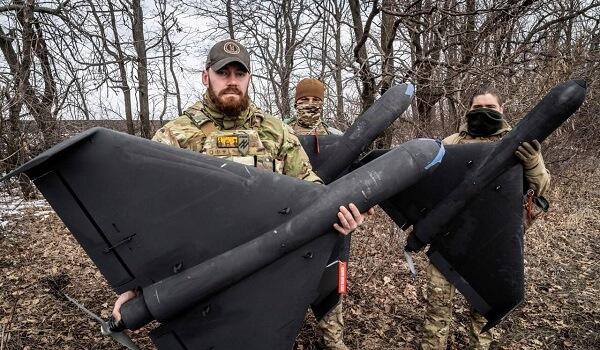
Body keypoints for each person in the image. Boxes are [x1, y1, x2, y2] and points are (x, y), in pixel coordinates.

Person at [111, 39, 371, 341]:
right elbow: (147, 216)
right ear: (206, 76)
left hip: (264, 276)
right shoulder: (174, 136)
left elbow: (310, 190)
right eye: (223, 73)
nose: (232, 81)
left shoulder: (276, 132)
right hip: (202, 278)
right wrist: (137, 286)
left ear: (248, 78)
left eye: (239, 73)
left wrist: (339, 215)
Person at [420, 86, 551, 350]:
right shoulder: (452, 142)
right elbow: (430, 183)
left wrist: (534, 163)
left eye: (490, 107)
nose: (483, 111)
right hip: (451, 240)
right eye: (478, 107)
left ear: (501, 109)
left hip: (493, 242)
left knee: (483, 315)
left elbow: (541, 190)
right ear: (469, 110)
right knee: (437, 311)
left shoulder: (519, 143)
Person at [289, 78, 348, 350]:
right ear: (295, 102)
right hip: (291, 224)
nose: (310, 105)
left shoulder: (338, 138)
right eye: (304, 100)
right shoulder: (281, 132)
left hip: (334, 227)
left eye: (316, 100)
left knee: (333, 284)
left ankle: (333, 339)